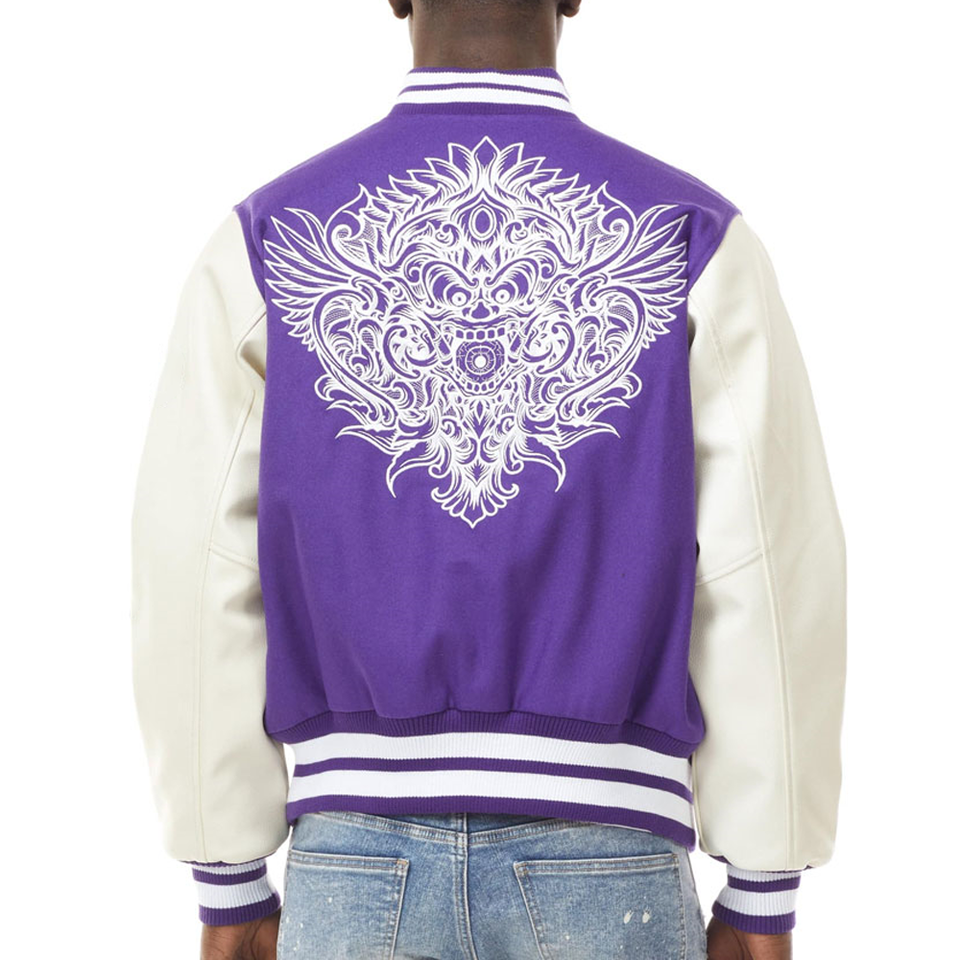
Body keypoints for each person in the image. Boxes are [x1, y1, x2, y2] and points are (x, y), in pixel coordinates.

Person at [129, 1, 847, 958]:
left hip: (354, 862)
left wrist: (226, 872)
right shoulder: (691, 238)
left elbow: (193, 564)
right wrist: (763, 883)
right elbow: (768, 569)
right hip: (607, 855)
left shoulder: (269, 240)